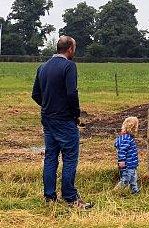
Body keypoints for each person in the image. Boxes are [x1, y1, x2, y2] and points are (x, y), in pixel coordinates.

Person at [31, 35, 92, 208]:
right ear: (70, 49)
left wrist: (48, 105)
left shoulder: (42, 67)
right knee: (70, 158)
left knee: (51, 157)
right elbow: (72, 93)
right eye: (75, 48)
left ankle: (50, 197)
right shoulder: (69, 66)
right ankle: (71, 198)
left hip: (48, 119)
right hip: (65, 120)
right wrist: (75, 115)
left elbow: (35, 94)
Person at [114, 116, 140, 195]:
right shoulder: (126, 139)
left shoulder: (129, 138)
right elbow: (122, 150)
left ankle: (135, 192)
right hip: (127, 165)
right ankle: (115, 192)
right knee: (125, 179)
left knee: (133, 179)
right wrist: (121, 161)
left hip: (132, 164)